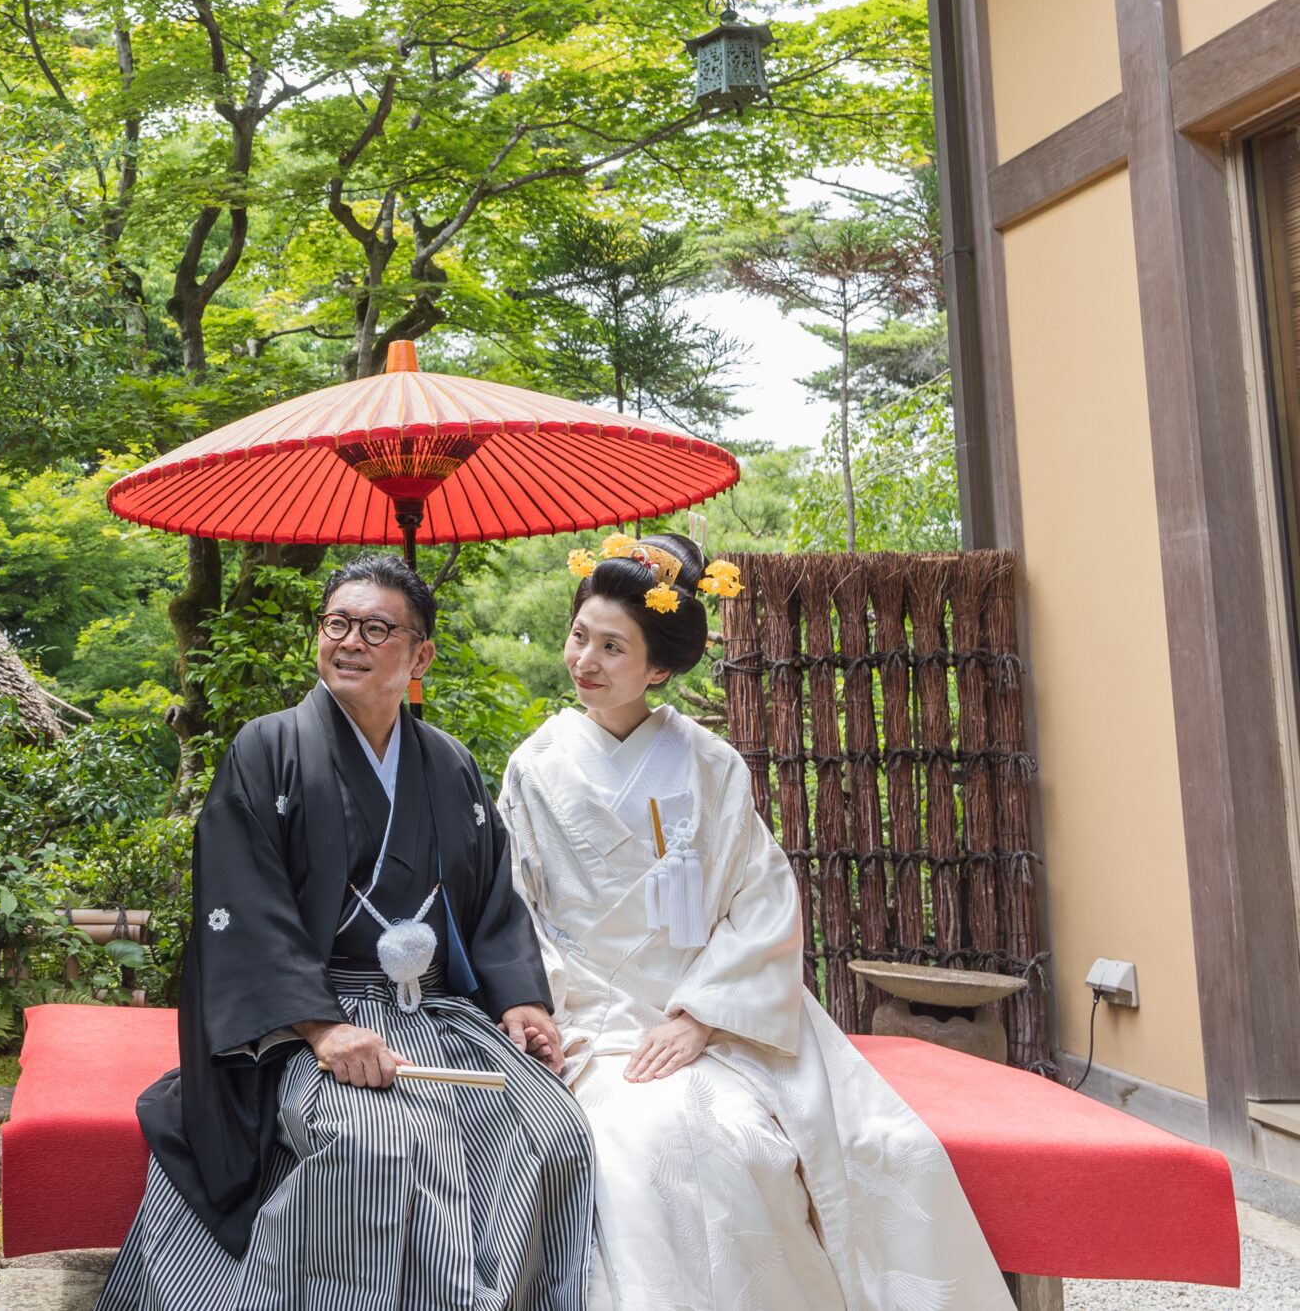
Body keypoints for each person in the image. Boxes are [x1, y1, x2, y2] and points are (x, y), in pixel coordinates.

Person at [498, 533, 1014, 1311]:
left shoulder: (710, 764)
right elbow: (514, 909)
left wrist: (701, 1014)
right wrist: (562, 1012)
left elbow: (762, 899)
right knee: (650, 1143)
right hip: (588, 1018)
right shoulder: (533, 765)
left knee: (856, 1145)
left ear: (660, 667)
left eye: (612, 646)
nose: (585, 660)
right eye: (580, 636)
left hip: (708, 1013)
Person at [100, 555, 596, 1311]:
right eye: (337, 624)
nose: (350, 641)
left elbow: (492, 897)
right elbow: (241, 903)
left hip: (431, 1014)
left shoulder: (448, 763)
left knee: (554, 1130)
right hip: (310, 1020)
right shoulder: (267, 749)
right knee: (376, 1147)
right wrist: (324, 1027)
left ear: (419, 654)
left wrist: (523, 998)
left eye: (375, 628)